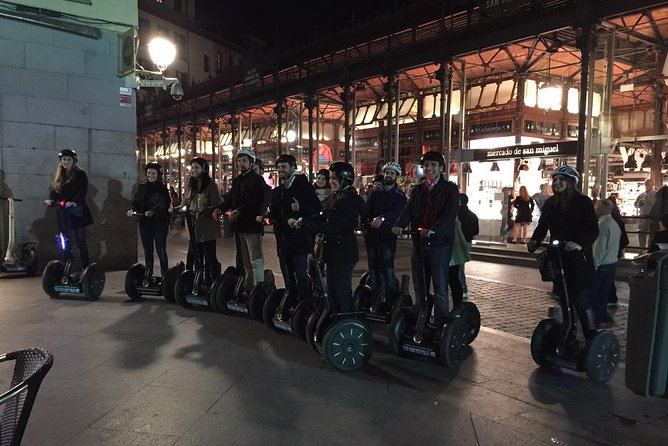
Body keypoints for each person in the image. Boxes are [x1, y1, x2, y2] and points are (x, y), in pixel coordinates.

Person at [527, 166, 599, 342]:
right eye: (555, 180)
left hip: (578, 259)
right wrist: (534, 241)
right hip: (559, 257)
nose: (557, 183)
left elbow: (592, 229)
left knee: (580, 299)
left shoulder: (583, 202)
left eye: (562, 180)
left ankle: (590, 335)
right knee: (564, 297)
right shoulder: (551, 203)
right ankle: (570, 331)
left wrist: (580, 244)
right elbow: (543, 226)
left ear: (571, 183)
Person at [392, 151, 459, 326]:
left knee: (440, 288)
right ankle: (421, 318)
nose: (429, 168)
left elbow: (449, 215)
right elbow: (408, 210)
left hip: (439, 246)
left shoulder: (450, 189)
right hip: (419, 244)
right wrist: (399, 224)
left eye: (433, 165)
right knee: (420, 285)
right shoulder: (418, 190)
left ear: (441, 169)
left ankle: (440, 323)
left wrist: (434, 230)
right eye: (426, 165)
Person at [288, 162, 365, 313]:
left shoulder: (350, 201)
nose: (331, 181)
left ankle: (347, 322)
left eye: (334, 178)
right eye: (330, 178)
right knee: (332, 291)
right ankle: (335, 320)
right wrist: (305, 220)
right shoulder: (337, 198)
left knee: (341, 292)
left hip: (343, 253)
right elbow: (324, 216)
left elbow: (333, 226)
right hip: (333, 252)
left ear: (345, 180)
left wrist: (308, 223)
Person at [268, 154, 321, 307]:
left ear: (293, 167)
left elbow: (317, 209)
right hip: (283, 239)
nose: (280, 171)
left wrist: (300, 209)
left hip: (301, 239)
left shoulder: (304, 186)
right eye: (278, 168)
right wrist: (286, 220)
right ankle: (291, 299)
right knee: (287, 274)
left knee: (301, 273)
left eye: (284, 167)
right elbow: (274, 214)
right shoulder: (277, 191)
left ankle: (305, 304)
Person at [212, 148, 267, 294]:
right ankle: (248, 287)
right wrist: (220, 209)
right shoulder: (237, 181)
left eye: (244, 160)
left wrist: (239, 210)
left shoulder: (257, 180)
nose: (241, 163)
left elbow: (255, 202)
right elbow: (230, 200)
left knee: (255, 258)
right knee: (245, 259)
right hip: (240, 225)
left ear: (251, 162)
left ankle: (259, 287)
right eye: (239, 161)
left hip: (252, 225)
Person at [361, 161, 407, 304]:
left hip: (387, 238)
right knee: (373, 269)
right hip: (372, 237)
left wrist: (382, 218)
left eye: (392, 173)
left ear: (396, 177)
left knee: (387, 270)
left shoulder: (400, 196)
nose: (388, 175)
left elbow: (397, 213)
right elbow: (366, 211)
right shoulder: (376, 194)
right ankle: (376, 299)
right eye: (387, 172)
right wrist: (365, 223)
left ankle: (391, 302)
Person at [44, 149, 94, 268]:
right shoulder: (60, 175)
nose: (66, 162)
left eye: (69, 159)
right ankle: (67, 267)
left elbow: (82, 191)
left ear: (74, 160)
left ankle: (86, 268)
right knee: (65, 241)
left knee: (80, 241)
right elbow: (55, 190)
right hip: (63, 212)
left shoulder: (80, 174)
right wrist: (50, 200)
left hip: (77, 211)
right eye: (64, 159)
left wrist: (74, 202)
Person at [126, 163, 171, 278]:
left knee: (160, 248)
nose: (150, 175)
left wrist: (153, 212)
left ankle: (165, 275)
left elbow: (164, 204)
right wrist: (132, 210)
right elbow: (137, 202)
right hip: (145, 222)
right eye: (149, 173)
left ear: (158, 175)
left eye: (153, 173)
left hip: (159, 222)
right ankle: (148, 274)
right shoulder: (142, 187)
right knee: (148, 250)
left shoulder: (162, 188)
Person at [182, 157, 221, 281]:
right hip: (193, 226)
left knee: (209, 255)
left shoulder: (211, 186)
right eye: (192, 168)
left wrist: (206, 211)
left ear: (204, 169)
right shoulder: (190, 185)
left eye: (196, 167)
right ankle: (191, 279)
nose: (193, 170)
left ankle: (213, 280)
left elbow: (216, 204)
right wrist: (177, 208)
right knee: (193, 254)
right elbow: (185, 201)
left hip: (207, 226)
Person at [591, 199, 621, 328]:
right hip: (612, 263)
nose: (595, 209)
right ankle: (603, 317)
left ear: (601, 208)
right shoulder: (614, 223)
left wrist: (594, 265)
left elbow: (599, 248)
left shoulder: (602, 225)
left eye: (596, 207)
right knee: (602, 294)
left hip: (602, 265)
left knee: (594, 294)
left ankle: (598, 319)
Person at [606, 194, 629, 309]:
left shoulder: (607, 222)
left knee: (606, 275)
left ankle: (610, 298)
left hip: (608, 252)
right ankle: (611, 298)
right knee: (609, 275)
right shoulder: (619, 221)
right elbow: (625, 240)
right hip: (615, 252)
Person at [457, 193, 479, 299]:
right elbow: (476, 231)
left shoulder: (456, 214)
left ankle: (462, 288)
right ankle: (463, 289)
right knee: (461, 266)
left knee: (457, 267)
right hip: (468, 242)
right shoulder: (473, 215)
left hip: (457, 242)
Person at [636, 179, 656, 248]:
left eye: (649, 185)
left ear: (652, 185)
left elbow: (656, 205)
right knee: (641, 233)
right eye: (646, 184)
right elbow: (635, 205)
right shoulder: (642, 195)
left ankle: (649, 250)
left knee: (651, 235)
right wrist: (640, 203)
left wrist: (649, 201)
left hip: (651, 217)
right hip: (642, 216)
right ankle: (642, 249)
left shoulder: (655, 194)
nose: (647, 186)